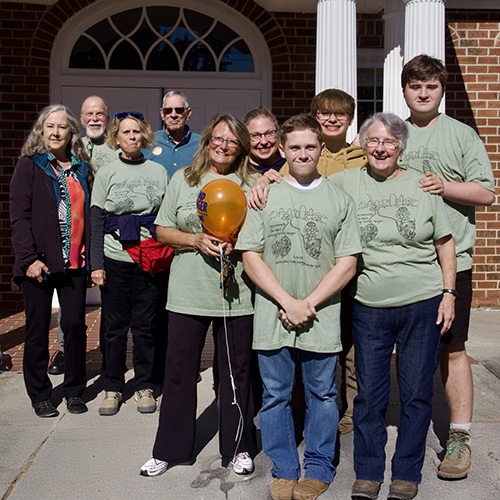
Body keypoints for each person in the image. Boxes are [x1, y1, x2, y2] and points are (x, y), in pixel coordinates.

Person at [328, 113, 457, 500]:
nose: (380, 148)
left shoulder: (423, 184)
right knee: (369, 394)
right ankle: (367, 472)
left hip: (423, 303)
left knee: (417, 392)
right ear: (362, 146)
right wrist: (268, 179)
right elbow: (302, 184)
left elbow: (445, 242)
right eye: (373, 141)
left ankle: (406, 472)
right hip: (369, 305)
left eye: (389, 142)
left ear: (401, 146)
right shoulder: (345, 182)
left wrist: (449, 292)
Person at [237, 114, 362, 500]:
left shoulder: (340, 200)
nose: (303, 153)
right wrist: (286, 301)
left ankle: (320, 466)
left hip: (320, 316)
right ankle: (284, 467)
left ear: (322, 149)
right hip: (273, 313)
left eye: (311, 146)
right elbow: (250, 255)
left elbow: (348, 263)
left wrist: (307, 303)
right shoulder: (265, 195)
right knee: (275, 395)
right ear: (281, 150)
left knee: (323, 395)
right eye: (295, 147)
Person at [140, 113, 258, 478]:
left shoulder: (253, 183)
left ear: (241, 147)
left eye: (232, 140)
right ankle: (170, 450)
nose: (223, 145)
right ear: (207, 142)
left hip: (236, 293)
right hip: (188, 290)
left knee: (236, 372)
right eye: (217, 139)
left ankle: (238, 447)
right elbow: (161, 230)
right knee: (178, 372)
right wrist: (194, 239)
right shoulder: (184, 179)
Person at [247, 89, 369, 436]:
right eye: (325, 114)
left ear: (349, 119)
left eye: (340, 114)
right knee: (304, 347)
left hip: (344, 260)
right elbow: (278, 181)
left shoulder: (361, 155)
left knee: (345, 346)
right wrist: (263, 179)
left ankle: (345, 408)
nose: (332, 120)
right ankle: (302, 409)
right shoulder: (296, 157)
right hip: (303, 267)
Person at [398, 55, 495, 481]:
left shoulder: (462, 134)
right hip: (401, 263)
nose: (423, 93)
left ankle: (459, 438)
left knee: (452, 349)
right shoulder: (392, 133)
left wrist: (445, 186)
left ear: (441, 90)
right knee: (406, 351)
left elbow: (487, 193)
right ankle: (408, 433)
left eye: (431, 87)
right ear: (404, 90)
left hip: (452, 264)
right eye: (416, 86)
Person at [10, 104, 91, 417]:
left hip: (74, 262)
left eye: (62, 127)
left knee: (73, 326)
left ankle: (74, 390)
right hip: (38, 263)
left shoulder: (81, 169)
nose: (56, 133)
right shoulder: (29, 167)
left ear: (71, 132)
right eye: (50, 127)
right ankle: (40, 393)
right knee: (37, 328)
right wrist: (28, 258)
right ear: (41, 132)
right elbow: (19, 217)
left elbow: (88, 214)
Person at [90, 111, 170, 416]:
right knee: (114, 327)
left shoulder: (158, 171)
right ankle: (112, 384)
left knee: (146, 326)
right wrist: (96, 264)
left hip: (148, 258)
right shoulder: (107, 172)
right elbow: (97, 220)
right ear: (117, 137)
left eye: (137, 132)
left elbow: (165, 216)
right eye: (126, 132)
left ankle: (144, 384)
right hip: (115, 258)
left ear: (145, 136)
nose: (132, 137)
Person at [48, 95, 116, 376]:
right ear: (81, 117)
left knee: (109, 295)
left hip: (106, 230)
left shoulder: (116, 147)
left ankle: (106, 351)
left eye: (100, 113)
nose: (94, 119)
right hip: (75, 230)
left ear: (108, 119)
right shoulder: (72, 146)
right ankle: (65, 349)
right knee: (70, 294)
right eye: (89, 114)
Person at [143, 90, 201, 179]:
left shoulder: (202, 145)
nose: (173, 115)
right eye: (168, 110)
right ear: (162, 114)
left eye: (179, 110)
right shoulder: (148, 143)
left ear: (188, 113)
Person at [243, 107, 286, 173]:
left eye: (269, 133)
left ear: (277, 133)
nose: (264, 142)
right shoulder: (238, 169)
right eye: (255, 135)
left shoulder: (290, 166)